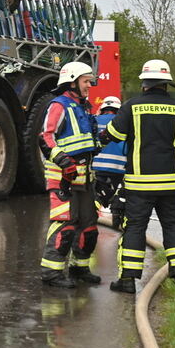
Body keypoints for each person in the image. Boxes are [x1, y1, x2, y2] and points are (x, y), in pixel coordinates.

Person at [102, 59, 175, 294]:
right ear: (167, 84)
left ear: (144, 84)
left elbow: (112, 135)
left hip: (139, 182)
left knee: (135, 227)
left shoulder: (131, 106)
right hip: (172, 182)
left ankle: (128, 279)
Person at [39, 61, 102, 288]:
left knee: (89, 227)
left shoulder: (84, 108)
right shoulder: (59, 105)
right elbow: (45, 137)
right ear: (72, 81)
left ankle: (79, 268)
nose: (89, 86)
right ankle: (51, 274)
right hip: (63, 178)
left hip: (85, 178)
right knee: (64, 226)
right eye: (86, 81)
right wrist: (63, 161)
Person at [92, 96, 127, 218]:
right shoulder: (124, 123)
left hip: (97, 169)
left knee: (96, 199)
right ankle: (118, 220)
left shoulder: (93, 121)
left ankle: (91, 222)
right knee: (119, 202)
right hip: (119, 169)